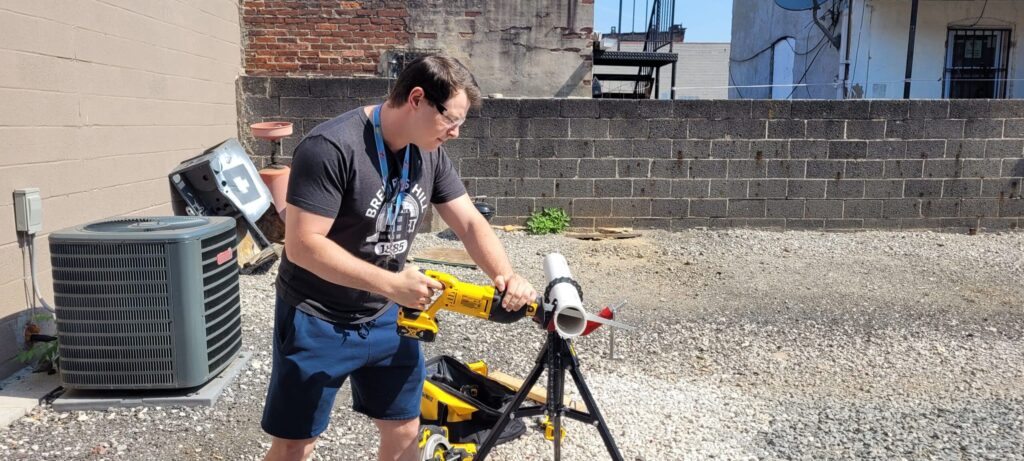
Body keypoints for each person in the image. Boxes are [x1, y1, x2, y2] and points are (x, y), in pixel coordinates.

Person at [261, 54, 538, 461]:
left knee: (406, 427)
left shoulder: (428, 152)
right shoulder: (332, 147)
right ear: (418, 99)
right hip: (316, 316)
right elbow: (303, 245)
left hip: (389, 315)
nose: (457, 133)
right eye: (451, 119)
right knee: (295, 443)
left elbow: (470, 223)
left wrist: (506, 274)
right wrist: (393, 283)